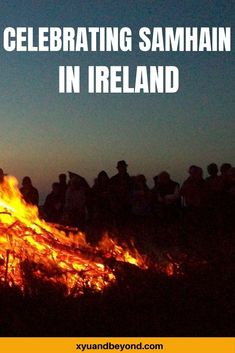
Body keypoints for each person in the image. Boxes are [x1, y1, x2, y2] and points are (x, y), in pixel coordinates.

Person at [109, 160, 133, 226]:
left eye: (124, 167)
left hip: (128, 206)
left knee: (127, 225)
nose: (123, 169)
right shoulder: (113, 180)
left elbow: (132, 192)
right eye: (121, 167)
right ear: (118, 168)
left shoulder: (130, 180)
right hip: (117, 206)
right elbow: (111, 193)